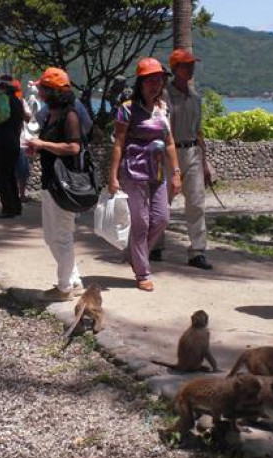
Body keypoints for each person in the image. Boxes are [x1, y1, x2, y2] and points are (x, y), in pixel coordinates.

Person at [108, 57, 182, 292]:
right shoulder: (126, 109)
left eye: (159, 80)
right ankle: (142, 272)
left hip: (157, 173)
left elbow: (169, 142)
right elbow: (118, 143)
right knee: (141, 224)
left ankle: (134, 254)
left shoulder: (163, 108)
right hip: (133, 172)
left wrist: (176, 173)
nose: (155, 85)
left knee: (161, 219)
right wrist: (113, 176)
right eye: (150, 80)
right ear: (140, 83)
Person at [25, 67, 84, 302]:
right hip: (52, 182)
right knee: (53, 236)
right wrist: (38, 146)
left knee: (61, 236)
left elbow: (74, 147)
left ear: (51, 91)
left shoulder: (69, 115)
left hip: (64, 184)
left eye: (42, 88)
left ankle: (64, 288)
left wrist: (42, 144)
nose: (38, 91)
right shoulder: (53, 114)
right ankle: (75, 281)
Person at [153, 48, 213, 270]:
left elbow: (199, 133)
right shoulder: (164, 97)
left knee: (196, 203)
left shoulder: (196, 98)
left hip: (192, 152)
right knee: (161, 202)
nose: (191, 69)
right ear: (175, 68)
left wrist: (205, 163)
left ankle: (197, 250)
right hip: (169, 154)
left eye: (192, 65)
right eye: (186, 65)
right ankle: (155, 245)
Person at [0, 75, 25, 218]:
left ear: (3, 88)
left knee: (3, 176)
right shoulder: (18, 102)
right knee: (10, 175)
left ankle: (8, 208)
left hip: (2, 143)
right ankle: (16, 206)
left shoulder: (3, 100)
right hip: (14, 143)